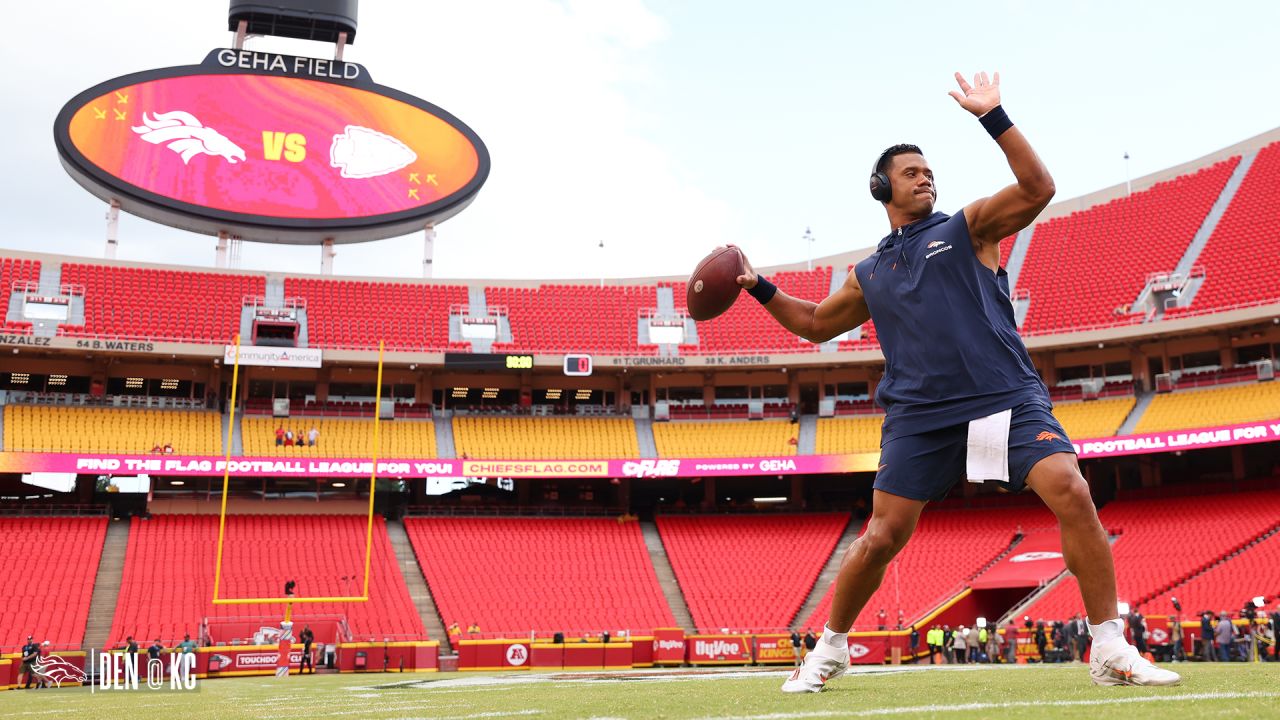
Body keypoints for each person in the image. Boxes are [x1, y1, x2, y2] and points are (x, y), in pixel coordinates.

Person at [760, 71, 1177, 693]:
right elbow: (816, 325)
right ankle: (831, 647)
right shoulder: (869, 271)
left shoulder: (968, 227)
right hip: (920, 415)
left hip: (1001, 396)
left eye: (928, 170)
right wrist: (756, 286)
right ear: (881, 187)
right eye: (910, 172)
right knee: (881, 538)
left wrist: (994, 116)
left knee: (1070, 487)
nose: (925, 177)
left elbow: (1039, 187)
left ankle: (1109, 643)